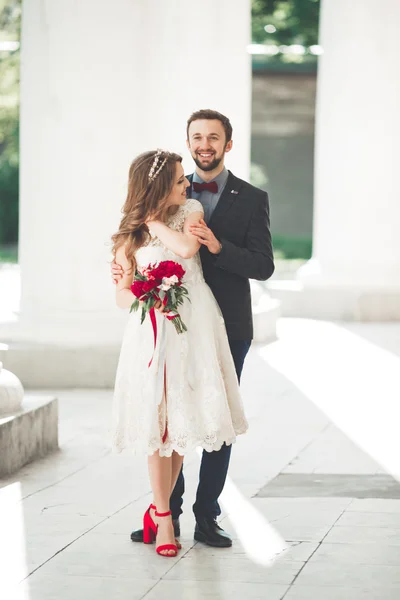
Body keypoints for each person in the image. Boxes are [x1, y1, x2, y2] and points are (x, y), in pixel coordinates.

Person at [112, 109, 274, 548]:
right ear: (189, 142)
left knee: (215, 420)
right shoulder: (172, 198)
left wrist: (220, 247)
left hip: (228, 322)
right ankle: (168, 514)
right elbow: (126, 285)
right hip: (167, 327)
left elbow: (263, 266)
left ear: (228, 144)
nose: (205, 144)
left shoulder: (253, 197)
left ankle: (208, 516)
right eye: (197, 136)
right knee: (171, 416)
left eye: (213, 137)